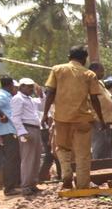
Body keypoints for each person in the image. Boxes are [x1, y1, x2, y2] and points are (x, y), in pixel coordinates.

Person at [42, 45, 108, 189]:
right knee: (83, 153)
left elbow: (50, 93)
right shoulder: (89, 74)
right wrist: (101, 119)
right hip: (83, 118)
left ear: (69, 57)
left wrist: (45, 114)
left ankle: (66, 172)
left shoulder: (57, 70)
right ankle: (83, 184)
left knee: (62, 148)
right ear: (84, 59)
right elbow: (95, 99)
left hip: (61, 118)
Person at [11, 78, 44, 195]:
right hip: (27, 128)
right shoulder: (18, 99)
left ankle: (33, 184)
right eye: (29, 87)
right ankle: (26, 186)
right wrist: (21, 132)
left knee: (36, 158)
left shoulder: (30, 99)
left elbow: (43, 107)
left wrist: (41, 95)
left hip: (35, 128)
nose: (31, 89)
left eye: (32, 87)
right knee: (27, 158)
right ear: (22, 86)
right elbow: (15, 117)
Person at [0, 76, 20, 195]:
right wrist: (2, 116)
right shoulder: (2, 95)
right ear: (11, 84)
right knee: (11, 159)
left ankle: (14, 184)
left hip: (10, 130)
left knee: (14, 158)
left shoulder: (7, 95)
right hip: (7, 131)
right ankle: (9, 188)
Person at [92, 74, 112, 161]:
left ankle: (106, 166)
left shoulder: (109, 96)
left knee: (107, 146)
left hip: (109, 124)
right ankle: (97, 165)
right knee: (99, 146)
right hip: (100, 122)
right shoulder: (101, 92)